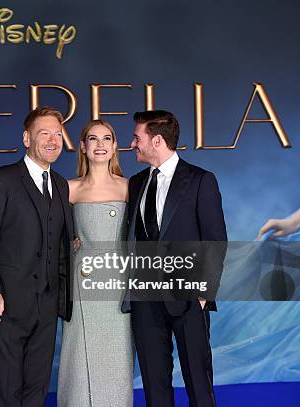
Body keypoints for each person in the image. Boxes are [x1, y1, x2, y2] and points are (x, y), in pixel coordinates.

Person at [0, 106, 74, 407]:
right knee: (8, 388)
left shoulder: (60, 185)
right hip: (7, 302)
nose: (54, 140)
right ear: (26, 138)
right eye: (45, 133)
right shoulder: (2, 179)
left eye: (58, 134)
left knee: (38, 386)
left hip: (47, 303)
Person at [126, 110, 227, 407]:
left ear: (156, 140)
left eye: (137, 137)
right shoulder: (136, 183)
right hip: (145, 300)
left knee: (198, 381)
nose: (132, 144)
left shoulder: (200, 180)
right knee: (154, 386)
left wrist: (204, 293)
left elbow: (216, 240)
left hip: (188, 300)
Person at [57, 120, 133, 407]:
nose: (100, 144)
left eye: (106, 138)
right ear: (83, 147)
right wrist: (67, 248)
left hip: (118, 286)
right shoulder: (68, 189)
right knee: (78, 361)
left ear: (115, 147)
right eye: (93, 139)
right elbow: (51, 235)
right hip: (82, 286)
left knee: (117, 359)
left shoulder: (130, 188)